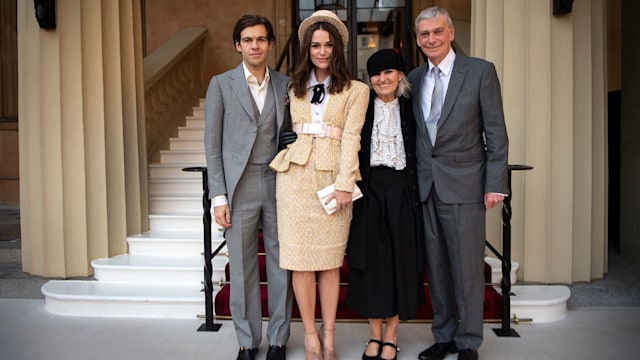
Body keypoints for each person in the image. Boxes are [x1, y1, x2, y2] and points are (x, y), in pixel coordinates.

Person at [407, 6, 509, 360]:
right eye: (424, 34)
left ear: (451, 33)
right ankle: (445, 335)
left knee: (466, 269)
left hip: (466, 186)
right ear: (417, 39)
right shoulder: (415, 77)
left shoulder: (479, 72)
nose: (431, 39)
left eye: (437, 32)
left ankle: (468, 341)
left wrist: (495, 182)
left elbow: (496, 132)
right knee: (436, 268)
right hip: (426, 187)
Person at [269, 10, 369, 360]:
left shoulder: (357, 90)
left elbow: (352, 137)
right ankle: (310, 335)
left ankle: (329, 334)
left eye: (328, 45)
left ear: (337, 47)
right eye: (315, 45)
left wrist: (345, 183)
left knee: (328, 262)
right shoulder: (291, 86)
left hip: (332, 178)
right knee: (299, 261)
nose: (322, 51)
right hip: (294, 178)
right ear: (307, 49)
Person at [204, 14, 293, 360]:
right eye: (248, 40)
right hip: (238, 186)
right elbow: (213, 147)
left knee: (281, 263)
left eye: (261, 39)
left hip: (278, 183)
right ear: (238, 45)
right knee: (240, 267)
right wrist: (219, 196)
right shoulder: (221, 84)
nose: (255, 45)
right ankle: (246, 340)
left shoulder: (286, 85)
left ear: (270, 44)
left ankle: (279, 339)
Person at [345, 49, 426, 360]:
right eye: (376, 74)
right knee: (371, 263)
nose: (382, 79)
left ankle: (392, 335)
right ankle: (374, 335)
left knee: (399, 261)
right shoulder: (362, 108)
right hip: (368, 192)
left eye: (389, 72)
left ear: (400, 75)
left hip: (404, 191)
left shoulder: (411, 107)